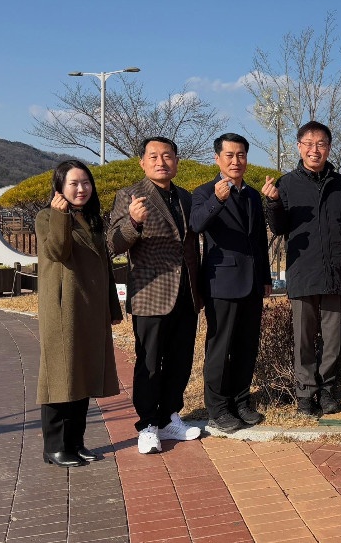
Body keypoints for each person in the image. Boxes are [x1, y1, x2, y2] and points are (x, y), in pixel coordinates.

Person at [109, 137, 203, 455]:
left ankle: (169, 417)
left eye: (167, 155)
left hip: (186, 293)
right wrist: (134, 221)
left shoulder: (186, 199)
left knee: (180, 359)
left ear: (176, 161)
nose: (161, 161)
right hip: (151, 292)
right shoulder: (130, 196)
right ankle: (148, 425)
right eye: (154, 156)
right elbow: (114, 243)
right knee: (149, 362)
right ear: (143, 162)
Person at [265, 121, 341, 417]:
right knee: (303, 338)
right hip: (303, 272)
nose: (315, 149)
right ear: (299, 146)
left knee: (332, 338)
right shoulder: (286, 183)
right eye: (309, 143)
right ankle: (305, 393)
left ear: (329, 148)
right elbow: (278, 228)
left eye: (321, 144)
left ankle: (327, 390)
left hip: (335, 272)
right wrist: (273, 203)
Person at [37, 160, 122, 467]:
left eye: (85, 183)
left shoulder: (93, 219)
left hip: (90, 309)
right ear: (59, 188)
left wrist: (112, 308)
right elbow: (58, 251)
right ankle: (55, 446)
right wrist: (60, 215)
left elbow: (105, 269)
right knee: (60, 377)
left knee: (82, 375)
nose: (81, 189)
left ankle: (76, 442)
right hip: (63, 309)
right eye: (73, 183)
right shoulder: (47, 217)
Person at [190, 133, 271, 433]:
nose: (236, 161)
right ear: (217, 159)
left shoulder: (251, 195)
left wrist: (265, 277)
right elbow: (196, 224)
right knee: (220, 347)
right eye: (230, 155)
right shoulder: (203, 192)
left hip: (251, 283)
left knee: (247, 345)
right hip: (221, 282)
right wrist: (217, 200)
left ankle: (241, 402)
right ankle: (218, 408)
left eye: (241, 155)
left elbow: (260, 241)